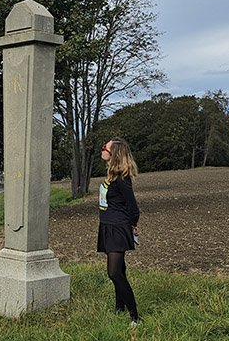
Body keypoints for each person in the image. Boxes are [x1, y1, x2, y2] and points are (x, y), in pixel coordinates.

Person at [97, 137, 142, 327]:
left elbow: (134, 209)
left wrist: (129, 227)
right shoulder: (112, 176)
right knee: (120, 270)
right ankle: (119, 307)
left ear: (113, 153)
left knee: (114, 273)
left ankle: (135, 317)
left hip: (117, 228)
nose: (102, 149)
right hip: (107, 226)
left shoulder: (122, 179)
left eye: (104, 147)